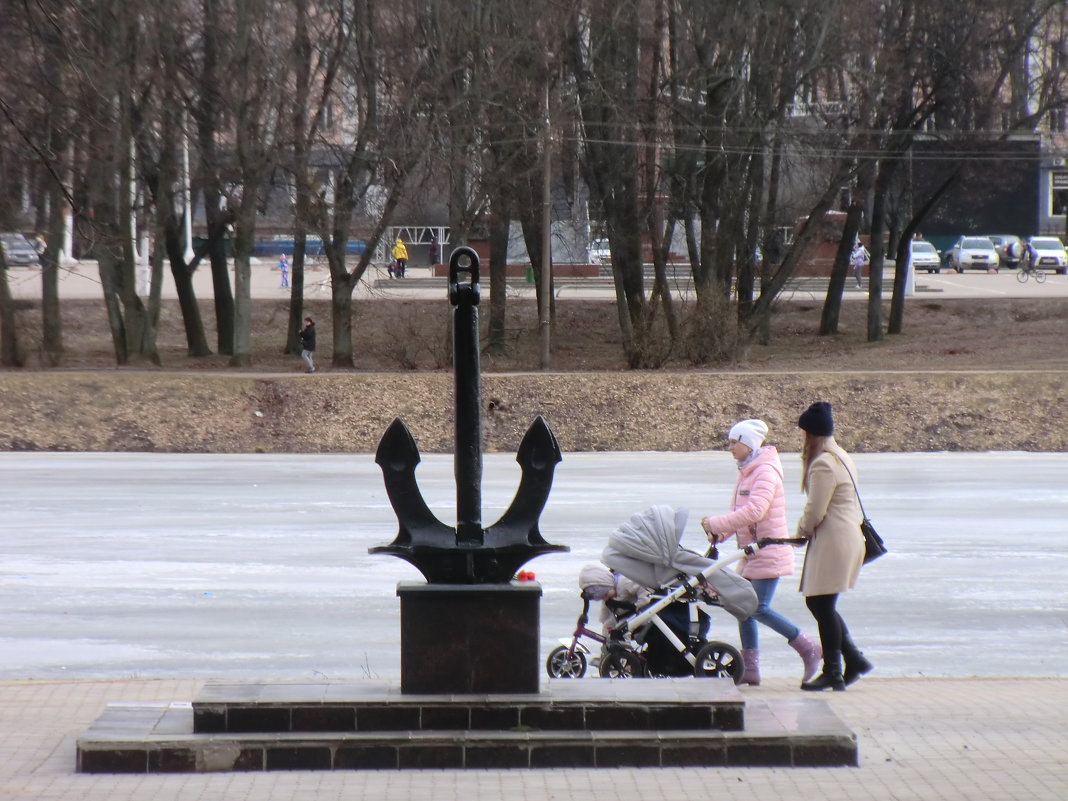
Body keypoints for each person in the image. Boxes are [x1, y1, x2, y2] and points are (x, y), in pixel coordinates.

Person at [700, 419, 821, 686]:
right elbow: (740, 516)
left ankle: (808, 648)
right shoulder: (746, 470)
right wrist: (721, 533)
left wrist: (716, 523)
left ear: (748, 443)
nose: (729, 447)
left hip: (769, 549)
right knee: (743, 609)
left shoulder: (765, 471)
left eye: (734, 442)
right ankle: (751, 669)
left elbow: (756, 511)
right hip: (751, 552)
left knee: (757, 608)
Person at [794, 401, 873, 691]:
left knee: (820, 603)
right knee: (823, 603)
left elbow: (815, 511)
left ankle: (835, 670)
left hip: (834, 540)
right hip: (846, 537)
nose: (800, 438)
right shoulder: (841, 457)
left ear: (811, 434)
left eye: (803, 433)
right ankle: (852, 661)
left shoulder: (824, 464)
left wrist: (800, 532)